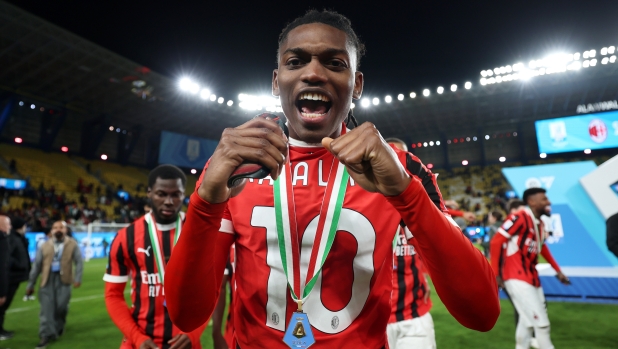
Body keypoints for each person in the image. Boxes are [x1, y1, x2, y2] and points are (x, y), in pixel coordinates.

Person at [165, 10, 499, 349]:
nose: (313, 73)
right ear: (276, 81)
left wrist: (406, 194)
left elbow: (481, 313)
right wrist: (205, 200)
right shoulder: (237, 165)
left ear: (357, 85)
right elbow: (186, 315)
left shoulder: (398, 168)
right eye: (296, 62)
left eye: (334, 63)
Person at [103, 165, 206, 349]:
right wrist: (136, 337)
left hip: (186, 341)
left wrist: (194, 332)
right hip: (139, 341)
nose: (169, 201)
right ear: (149, 193)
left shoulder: (199, 233)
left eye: (176, 194)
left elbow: (210, 291)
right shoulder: (125, 237)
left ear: (184, 195)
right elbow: (113, 295)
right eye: (161, 194)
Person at [490, 188, 570, 349]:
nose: (549, 203)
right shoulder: (519, 217)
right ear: (532, 202)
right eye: (544, 199)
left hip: (531, 278)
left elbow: (542, 248)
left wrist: (558, 271)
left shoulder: (539, 224)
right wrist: (496, 274)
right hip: (516, 277)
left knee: (526, 322)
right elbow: (496, 241)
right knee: (542, 325)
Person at [385, 139, 435, 349]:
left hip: (414, 318)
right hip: (372, 320)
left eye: (404, 156)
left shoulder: (420, 210)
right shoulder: (356, 208)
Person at [26, 220, 83, 349]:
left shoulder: (73, 244)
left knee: (61, 307)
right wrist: (31, 284)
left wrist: (78, 278)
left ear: (66, 230)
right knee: (46, 310)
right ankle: (45, 335)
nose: (58, 229)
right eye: (55, 227)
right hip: (47, 280)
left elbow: (79, 262)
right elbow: (36, 266)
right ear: (51, 230)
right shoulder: (44, 245)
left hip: (65, 279)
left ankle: (59, 326)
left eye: (61, 227)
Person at [0, 217, 31, 340]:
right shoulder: (9, 239)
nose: (10, 227)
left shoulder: (16, 238)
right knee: (2, 306)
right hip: (10, 277)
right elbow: (5, 258)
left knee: (3, 307)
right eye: (8, 224)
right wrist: (19, 265)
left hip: (14, 277)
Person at [0, 216, 10, 341]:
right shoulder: (2, 240)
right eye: (8, 224)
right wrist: (2, 292)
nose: (10, 227)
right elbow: (2, 266)